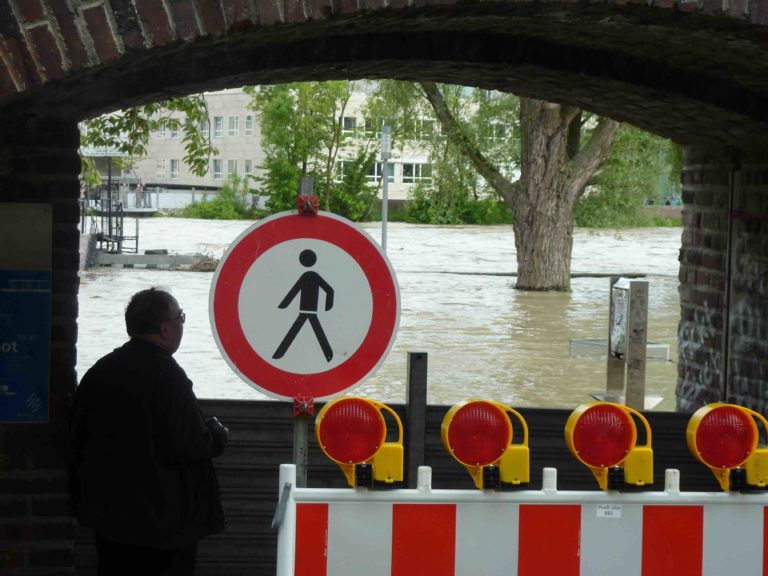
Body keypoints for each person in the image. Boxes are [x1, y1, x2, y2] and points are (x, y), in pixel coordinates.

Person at [69, 288, 228, 576]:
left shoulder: (100, 372)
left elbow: (77, 437)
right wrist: (217, 434)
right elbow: (190, 443)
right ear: (166, 329)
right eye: (180, 317)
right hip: (165, 528)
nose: (182, 323)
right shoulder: (168, 376)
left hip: (111, 522)